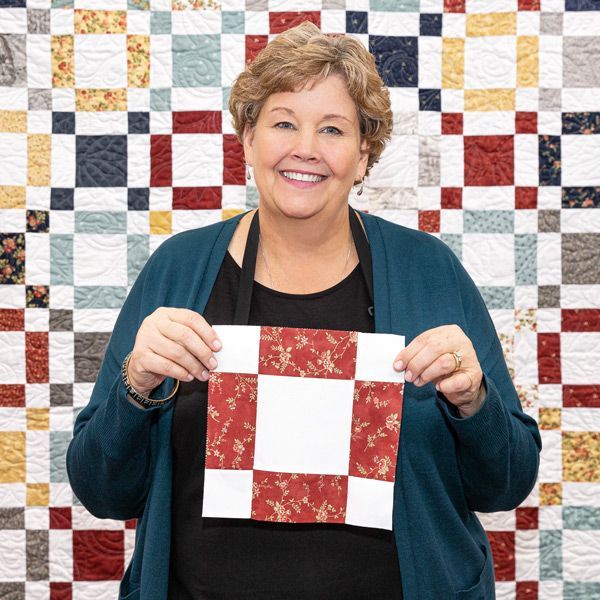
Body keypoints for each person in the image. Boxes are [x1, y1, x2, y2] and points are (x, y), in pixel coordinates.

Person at [66, 21, 541, 600]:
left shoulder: (429, 272)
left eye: (333, 129)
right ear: (247, 138)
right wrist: (134, 387)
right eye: (284, 122)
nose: (306, 148)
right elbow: (101, 490)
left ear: (365, 153)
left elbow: (506, 484)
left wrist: (475, 402)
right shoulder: (178, 271)